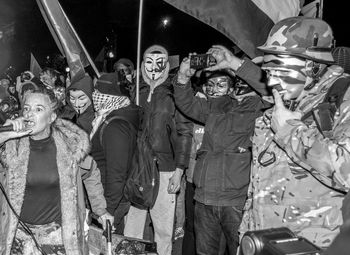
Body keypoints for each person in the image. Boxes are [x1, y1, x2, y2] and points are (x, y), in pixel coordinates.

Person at [233, 16, 350, 248]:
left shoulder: (343, 101)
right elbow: (256, 190)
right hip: (265, 244)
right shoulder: (277, 110)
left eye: (278, 68)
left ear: (312, 66)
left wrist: (289, 132)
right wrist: (246, 238)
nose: (270, 79)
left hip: (313, 245)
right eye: (268, 70)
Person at [173, 50, 270, 254]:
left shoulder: (261, 107)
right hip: (204, 199)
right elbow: (187, 104)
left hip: (236, 202)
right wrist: (183, 76)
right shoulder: (218, 104)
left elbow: (273, 89)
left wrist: (237, 64)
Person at [0, 87, 109, 254]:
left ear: (51, 117)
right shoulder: (10, 147)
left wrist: (100, 210)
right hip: (17, 238)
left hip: (55, 239)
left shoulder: (70, 147)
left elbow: (91, 172)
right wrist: (4, 136)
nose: (29, 114)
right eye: (27, 108)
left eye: (38, 109)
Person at [123, 45, 193, 255]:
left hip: (164, 169)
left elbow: (184, 133)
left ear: (166, 65)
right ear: (142, 64)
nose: (154, 68)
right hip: (137, 167)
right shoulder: (136, 91)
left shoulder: (173, 93)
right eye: (149, 62)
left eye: (159, 62)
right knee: (132, 227)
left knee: (163, 228)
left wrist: (179, 170)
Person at [89, 72, 140, 233]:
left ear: (108, 96)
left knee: (107, 246)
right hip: (103, 196)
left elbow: (117, 172)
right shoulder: (109, 116)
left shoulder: (116, 126)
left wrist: (107, 210)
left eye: (99, 92)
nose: (95, 96)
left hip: (109, 201)